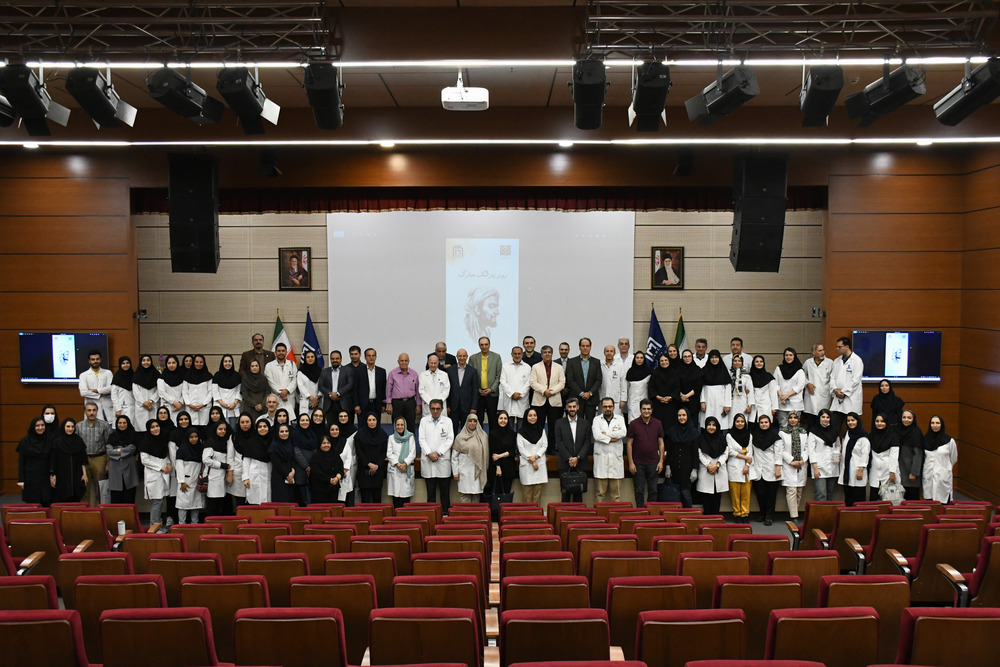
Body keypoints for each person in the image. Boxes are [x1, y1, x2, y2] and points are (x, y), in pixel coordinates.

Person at [627, 398, 667, 508]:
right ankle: (640, 512)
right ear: (640, 410)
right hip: (638, 464)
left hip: (654, 463)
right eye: (644, 409)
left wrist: (661, 462)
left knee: (653, 490)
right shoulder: (633, 424)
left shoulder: (658, 424)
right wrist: (631, 463)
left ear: (652, 410)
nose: (646, 411)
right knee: (639, 491)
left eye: (648, 409)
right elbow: (629, 444)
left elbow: (661, 443)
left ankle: (651, 513)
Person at [419, 399, 454, 514]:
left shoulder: (448, 421)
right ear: (429, 409)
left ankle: (445, 515)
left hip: (442, 460)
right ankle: (431, 515)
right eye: (433, 409)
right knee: (430, 493)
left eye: (438, 409)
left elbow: (450, 439)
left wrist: (438, 453)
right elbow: (422, 439)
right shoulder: (424, 421)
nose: (435, 411)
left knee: (445, 493)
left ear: (442, 409)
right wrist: (429, 453)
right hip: (428, 460)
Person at [555, 398, 593, 502]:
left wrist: (578, 458)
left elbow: (587, 442)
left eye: (574, 407)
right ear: (566, 408)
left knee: (579, 497)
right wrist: (569, 458)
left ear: (578, 407)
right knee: (565, 496)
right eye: (570, 407)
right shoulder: (559, 423)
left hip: (580, 463)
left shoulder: (585, 423)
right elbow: (559, 442)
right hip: (565, 463)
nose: (572, 409)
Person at [592, 397, 628, 503]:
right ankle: (599, 514)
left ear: (614, 407)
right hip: (601, 462)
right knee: (600, 494)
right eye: (605, 406)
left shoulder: (620, 419)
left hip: (616, 462)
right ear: (601, 407)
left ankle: (614, 514)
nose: (608, 408)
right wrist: (613, 438)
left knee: (616, 496)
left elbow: (623, 433)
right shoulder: (596, 420)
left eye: (610, 406)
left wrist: (605, 434)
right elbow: (597, 436)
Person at [138, 419, 172, 530]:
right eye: (152, 427)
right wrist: (160, 467)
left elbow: (165, 455)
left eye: (157, 426)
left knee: (161, 500)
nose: (156, 429)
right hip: (154, 474)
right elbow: (144, 460)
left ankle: (158, 524)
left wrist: (168, 463)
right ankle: (153, 525)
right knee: (157, 501)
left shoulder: (162, 439)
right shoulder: (145, 442)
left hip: (163, 475)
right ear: (149, 429)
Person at [529, 345, 566, 442]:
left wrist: (551, 391)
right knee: (538, 425)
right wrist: (544, 391)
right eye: (545, 352)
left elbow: (562, 383)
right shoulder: (535, 367)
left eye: (549, 352)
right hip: (539, 400)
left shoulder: (559, 367)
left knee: (553, 426)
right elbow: (533, 382)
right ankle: (538, 445)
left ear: (552, 354)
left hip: (554, 401)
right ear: (541, 355)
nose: (547, 354)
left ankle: (551, 447)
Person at [78, 401, 111, 507]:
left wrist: (108, 463)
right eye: (89, 410)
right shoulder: (79, 426)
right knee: (84, 487)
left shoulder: (104, 425)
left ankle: (99, 510)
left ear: (97, 411)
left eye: (94, 410)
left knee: (99, 487)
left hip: (99, 458)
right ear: (85, 412)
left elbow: (108, 445)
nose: (91, 413)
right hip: (84, 460)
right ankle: (84, 511)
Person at [664, 406, 698, 508]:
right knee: (674, 494)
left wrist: (695, 469)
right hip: (673, 468)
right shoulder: (672, 431)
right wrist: (667, 466)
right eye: (679, 415)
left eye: (684, 415)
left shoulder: (694, 433)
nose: (681, 417)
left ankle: (688, 515)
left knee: (685, 493)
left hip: (687, 469)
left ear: (688, 416)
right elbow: (669, 451)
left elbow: (695, 452)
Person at [751, 415, 783, 524]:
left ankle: (769, 516)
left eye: (766, 422)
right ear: (758, 424)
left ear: (770, 423)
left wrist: (778, 469)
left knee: (771, 496)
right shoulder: (754, 436)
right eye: (762, 422)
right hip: (758, 470)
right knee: (760, 494)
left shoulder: (776, 438)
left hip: (772, 470)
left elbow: (778, 455)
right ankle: (762, 514)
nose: (764, 424)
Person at [726, 413, 757, 523]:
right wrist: (745, 457)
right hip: (734, 466)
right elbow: (730, 451)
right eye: (738, 421)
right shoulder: (729, 435)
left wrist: (747, 465)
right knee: (735, 493)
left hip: (747, 467)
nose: (740, 423)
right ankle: (737, 514)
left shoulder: (749, 435)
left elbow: (750, 451)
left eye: (742, 421)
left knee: (746, 493)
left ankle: (745, 514)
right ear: (734, 422)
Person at [452, 414, 490, 504]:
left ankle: (475, 513)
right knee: (465, 496)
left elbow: (486, 454)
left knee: (476, 496)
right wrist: (455, 472)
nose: (472, 423)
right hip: (464, 471)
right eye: (470, 421)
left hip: (478, 470)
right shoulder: (460, 437)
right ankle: (465, 513)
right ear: (466, 422)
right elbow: (454, 456)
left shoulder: (483, 436)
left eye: (474, 421)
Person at [779, 411, 810, 521]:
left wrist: (802, 460)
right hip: (789, 465)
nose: (793, 420)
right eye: (790, 418)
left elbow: (807, 448)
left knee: (799, 491)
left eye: (795, 418)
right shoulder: (782, 433)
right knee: (791, 491)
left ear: (798, 419)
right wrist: (791, 461)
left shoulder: (804, 433)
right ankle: (794, 516)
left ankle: (795, 512)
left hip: (801, 465)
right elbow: (781, 449)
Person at [50, 418, 88, 504]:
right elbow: (53, 459)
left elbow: (83, 459)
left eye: (72, 427)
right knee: (62, 495)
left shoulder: (78, 440)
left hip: (76, 473)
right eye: (68, 426)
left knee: (76, 495)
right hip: (61, 473)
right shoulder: (57, 441)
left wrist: (84, 474)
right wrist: (53, 475)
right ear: (63, 427)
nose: (70, 429)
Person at [696, 416, 729, 516]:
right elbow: (699, 453)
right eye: (709, 425)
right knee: (706, 498)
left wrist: (717, 465)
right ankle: (707, 520)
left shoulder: (722, 438)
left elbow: (726, 453)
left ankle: (716, 520)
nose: (711, 427)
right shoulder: (701, 438)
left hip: (719, 470)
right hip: (706, 470)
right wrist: (708, 465)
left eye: (714, 425)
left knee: (717, 498)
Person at [830, 337, 864, 433]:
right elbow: (832, 378)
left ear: (847, 347)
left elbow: (855, 380)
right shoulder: (836, 361)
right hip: (838, 398)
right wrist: (835, 390)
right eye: (837, 347)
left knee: (852, 427)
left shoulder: (857, 360)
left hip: (851, 398)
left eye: (839, 347)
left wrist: (844, 392)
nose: (837, 349)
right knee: (834, 426)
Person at [171, 427, 205, 523]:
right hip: (185, 482)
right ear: (187, 438)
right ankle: (181, 525)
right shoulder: (181, 451)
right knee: (183, 505)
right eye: (191, 437)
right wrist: (182, 481)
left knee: (196, 504)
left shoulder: (200, 449)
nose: (194, 439)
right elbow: (179, 467)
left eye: (196, 436)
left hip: (197, 481)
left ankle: (195, 525)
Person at [808, 408, 841, 502]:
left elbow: (838, 446)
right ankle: (820, 512)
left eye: (827, 417)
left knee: (830, 493)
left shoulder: (834, 431)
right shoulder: (813, 432)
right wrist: (815, 468)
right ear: (819, 418)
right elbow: (811, 451)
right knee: (821, 494)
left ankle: (829, 512)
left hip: (833, 466)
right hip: (819, 467)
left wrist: (836, 457)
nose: (825, 419)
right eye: (823, 417)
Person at [566, 338, 603, 422]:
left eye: (587, 346)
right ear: (579, 347)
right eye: (583, 346)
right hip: (576, 399)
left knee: (590, 423)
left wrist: (590, 393)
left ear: (590, 347)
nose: (585, 348)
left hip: (591, 399)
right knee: (577, 423)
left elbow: (598, 380)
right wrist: (581, 393)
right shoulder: (571, 362)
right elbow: (570, 380)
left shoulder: (596, 362)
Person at [516, 407, 548, 504]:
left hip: (539, 464)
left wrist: (536, 456)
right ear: (526, 417)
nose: (533, 417)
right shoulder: (521, 432)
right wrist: (532, 460)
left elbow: (544, 445)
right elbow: (521, 449)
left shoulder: (541, 430)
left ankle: (537, 513)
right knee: (527, 497)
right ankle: (527, 513)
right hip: (527, 465)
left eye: (534, 415)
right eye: (530, 416)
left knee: (537, 497)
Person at [922, 415, 957, 503]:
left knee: (943, 501)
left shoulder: (949, 441)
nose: (935, 425)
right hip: (929, 474)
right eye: (932, 423)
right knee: (929, 501)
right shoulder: (925, 440)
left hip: (943, 475)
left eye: (937, 423)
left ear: (942, 425)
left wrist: (946, 468)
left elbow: (953, 458)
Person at [469, 337, 503, 428]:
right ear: (479, 345)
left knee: (492, 419)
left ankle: (492, 437)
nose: (484, 347)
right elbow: (470, 376)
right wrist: (477, 388)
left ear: (489, 345)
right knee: (478, 419)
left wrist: (491, 389)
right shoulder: (473, 358)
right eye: (482, 345)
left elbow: (499, 376)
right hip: (478, 394)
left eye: (486, 344)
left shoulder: (496, 357)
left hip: (492, 394)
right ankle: (479, 437)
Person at [355, 412, 389, 503]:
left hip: (378, 470)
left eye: (374, 420)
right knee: (365, 499)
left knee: (377, 498)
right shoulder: (360, 434)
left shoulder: (382, 434)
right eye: (369, 420)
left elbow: (384, 452)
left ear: (377, 421)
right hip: (364, 470)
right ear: (366, 421)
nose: (372, 422)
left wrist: (377, 465)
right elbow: (359, 451)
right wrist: (369, 464)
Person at [18, 418, 52, 505]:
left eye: (42, 425)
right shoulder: (25, 442)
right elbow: (21, 462)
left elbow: (52, 460)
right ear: (33, 427)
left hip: (45, 477)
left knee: (46, 502)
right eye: (37, 425)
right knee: (32, 504)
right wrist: (21, 480)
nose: (40, 428)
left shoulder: (49, 440)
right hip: (30, 477)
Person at [838, 412, 870, 507]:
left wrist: (861, 469)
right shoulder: (847, 433)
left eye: (853, 420)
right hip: (847, 471)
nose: (850, 422)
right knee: (848, 497)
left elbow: (865, 454)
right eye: (848, 420)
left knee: (858, 499)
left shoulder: (863, 437)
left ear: (858, 421)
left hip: (858, 471)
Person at [106, 416, 140, 504]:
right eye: (120, 423)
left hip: (129, 468)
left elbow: (132, 449)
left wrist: (118, 450)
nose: (122, 425)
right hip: (115, 470)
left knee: (129, 497)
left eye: (124, 423)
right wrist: (123, 452)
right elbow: (109, 451)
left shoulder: (133, 436)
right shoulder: (112, 436)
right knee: (116, 497)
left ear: (128, 424)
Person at [202, 421, 232, 517]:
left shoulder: (225, 442)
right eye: (220, 429)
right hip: (212, 478)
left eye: (224, 429)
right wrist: (221, 465)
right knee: (212, 505)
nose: (222, 431)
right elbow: (206, 459)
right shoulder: (211, 441)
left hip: (222, 478)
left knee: (220, 504)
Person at [386, 353, 422, 434]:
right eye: (402, 361)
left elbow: (417, 390)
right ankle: (397, 441)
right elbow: (388, 389)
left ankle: (411, 442)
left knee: (411, 425)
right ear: (398, 362)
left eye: (406, 360)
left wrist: (418, 404)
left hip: (410, 402)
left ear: (409, 361)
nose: (404, 362)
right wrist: (389, 404)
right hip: (397, 403)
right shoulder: (392, 373)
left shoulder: (414, 373)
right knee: (397, 425)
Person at [447, 348, 479, 436]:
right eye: (460, 356)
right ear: (457, 357)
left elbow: (475, 390)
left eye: (464, 356)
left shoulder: (472, 371)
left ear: (467, 357)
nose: (462, 358)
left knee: (466, 431)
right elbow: (448, 389)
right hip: (453, 407)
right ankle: (453, 445)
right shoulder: (450, 370)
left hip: (467, 407)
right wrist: (448, 405)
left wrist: (473, 407)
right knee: (452, 430)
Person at [869, 413, 901, 501]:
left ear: (886, 423)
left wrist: (892, 472)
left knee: (888, 499)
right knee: (873, 497)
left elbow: (894, 456)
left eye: (882, 421)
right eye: (877, 421)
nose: (879, 423)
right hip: (874, 471)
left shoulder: (893, 436)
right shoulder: (871, 435)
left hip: (888, 471)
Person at [487, 410, 518, 498]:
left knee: (506, 495)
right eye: (501, 418)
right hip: (496, 468)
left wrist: (500, 456)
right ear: (497, 419)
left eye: (505, 418)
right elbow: (493, 453)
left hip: (509, 467)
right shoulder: (492, 434)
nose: (503, 420)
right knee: (497, 495)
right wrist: (498, 467)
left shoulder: (512, 433)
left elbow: (512, 451)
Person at [387, 416, 417, 508]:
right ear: (395, 426)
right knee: (396, 496)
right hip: (395, 468)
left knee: (406, 497)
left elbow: (412, 453)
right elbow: (389, 453)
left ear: (405, 426)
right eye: (398, 425)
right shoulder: (391, 438)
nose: (400, 427)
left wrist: (405, 464)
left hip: (406, 468)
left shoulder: (410, 437)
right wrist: (398, 464)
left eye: (402, 425)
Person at [318, 350, 355, 423]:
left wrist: (338, 393)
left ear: (341, 359)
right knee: (331, 426)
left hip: (344, 404)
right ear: (330, 360)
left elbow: (350, 384)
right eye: (333, 359)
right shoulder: (324, 371)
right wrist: (330, 394)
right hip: (329, 405)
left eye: (337, 358)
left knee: (345, 426)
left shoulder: (348, 370)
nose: (335, 360)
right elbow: (320, 386)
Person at [773, 348, 806, 428]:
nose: (788, 357)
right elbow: (774, 383)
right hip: (782, 402)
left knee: (795, 427)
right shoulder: (778, 368)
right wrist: (781, 395)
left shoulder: (800, 370)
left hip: (795, 403)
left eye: (791, 355)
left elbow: (800, 385)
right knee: (783, 426)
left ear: (794, 356)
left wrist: (787, 395)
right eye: (786, 355)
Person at [242, 419, 272, 505]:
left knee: (268, 502)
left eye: (265, 426)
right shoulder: (251, 442)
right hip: (254, 476)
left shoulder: (272, 442)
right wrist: (245, 478)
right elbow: (246, 461)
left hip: (269, 476)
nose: (262, 429)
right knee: (255, 502)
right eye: (260, 427)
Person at [78, 349, 114, 422]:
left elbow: (111, 388)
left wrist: (96, 390)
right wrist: (100, 394)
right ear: (89, 361)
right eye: (93, 359)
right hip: (91, 407)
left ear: (100, 360)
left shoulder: (108, 373)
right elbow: (83, 392)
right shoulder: (83, 375)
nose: (95, 361)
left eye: (97, 359)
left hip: (106, 407)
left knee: (108, 426)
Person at [311, 432, 346, 505]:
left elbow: (340, 468)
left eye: (328, 443)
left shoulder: (335, 455)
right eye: (324, 443)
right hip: (319, 490)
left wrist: (337, 478)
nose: (326, 445)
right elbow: (316, 472)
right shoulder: (315, 457)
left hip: (333, 489)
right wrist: (329, 479)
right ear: (320, 444)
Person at [897, 409, 925, 501]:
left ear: (913, 419)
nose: (906, 420)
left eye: (909, 418)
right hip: (900, 470)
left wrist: (914, 473)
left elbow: (918, 455)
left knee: (912, 499)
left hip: (911, 472)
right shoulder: (898, 431)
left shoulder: (916, 433)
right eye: (904, 417)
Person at [700, 350, 732, 428]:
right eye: (712, 357)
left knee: (720, 424)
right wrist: (702, 402)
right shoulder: (704, 371)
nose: (714, 359)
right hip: (708, 402)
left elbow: (728, 389)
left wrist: (727, 404)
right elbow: (701, 387)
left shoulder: (724, 371)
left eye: (716, 357)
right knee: (707, 424)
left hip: (721, 402)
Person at [500, 347, 531, 425]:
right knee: (509, 426)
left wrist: (521, 394)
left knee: (521, 426)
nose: (517, 356)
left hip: (522, 399)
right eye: (515, 354)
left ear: (522, 354)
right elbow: (503, 381)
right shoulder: (505, 366)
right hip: (510, 399)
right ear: (511, 354)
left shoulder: (527, 367)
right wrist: (512, 394)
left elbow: (528, 383)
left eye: (519, 354)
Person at [648, 353, 680, 431]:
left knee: (670, 428)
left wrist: (671, 397)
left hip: (671, 405)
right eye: (661, 361)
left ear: (669, 361)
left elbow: (678, 387)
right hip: (658, 405)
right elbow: (651, 387)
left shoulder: (675, 373)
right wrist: (657, 397)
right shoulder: (655, 373)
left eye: (666, 360)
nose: (664, 362)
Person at [227, 414, 252, 510]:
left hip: (252, 472)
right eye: (242, 422)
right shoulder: (234, 437)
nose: (245, 424)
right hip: (238, 472)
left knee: (252, 500)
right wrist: (230, 473)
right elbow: (230, 456)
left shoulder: (255, 436)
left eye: (247, 422)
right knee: (240, 502)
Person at [291, 412, 317, 506]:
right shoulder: (295, 434)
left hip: (312, 468)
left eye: (307, 420)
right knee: (302, 496)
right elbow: (296, 452)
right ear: (298, 422)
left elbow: (315, 450)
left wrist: (312, 466)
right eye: (302, 420)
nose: (305, 422)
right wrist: (306, 467)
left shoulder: (312, 433)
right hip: (300, 468)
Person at [803, 343, 833, 424]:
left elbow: (833, 379)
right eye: (820, 351)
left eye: (823, 350)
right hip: (811, 396)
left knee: (823, 420)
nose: (822, 352)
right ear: (813, 353)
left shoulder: (830, 363)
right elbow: (802, 376)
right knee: (811, 422)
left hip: (824, 395)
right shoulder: (808, 362)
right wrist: (807, 383)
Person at [265, 343, 298, 415]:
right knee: (275, 417)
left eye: (283, 351)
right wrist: (281, 393)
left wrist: (287, 390)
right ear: (275, 352)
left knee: (289, 418)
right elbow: (270, 381)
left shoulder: (292, 364)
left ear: (286, 352)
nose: (281, 353)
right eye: (279, 351)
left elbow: (295, 380)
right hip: (275, 397)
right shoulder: (269, 365)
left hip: (289, 398)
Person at [354, 348, 387, 419]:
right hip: (363, 405)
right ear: (365, 357)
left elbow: (383, 389)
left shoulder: (382, 371)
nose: (371, 357)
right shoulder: (358, 371)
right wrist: (356, 404)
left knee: (376, 424)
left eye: (373, 355)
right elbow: (355, 389)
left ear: (376, 357)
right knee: (362, 424)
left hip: (377, 404)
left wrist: (384, 405)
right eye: (369, 355)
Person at [268, 423, 297, 504]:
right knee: (281, 501)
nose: (284, 433)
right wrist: (288, 474)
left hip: (291, 476)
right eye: (281, 431)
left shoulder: (290, 443)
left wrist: (293, 471)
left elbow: (293, 459)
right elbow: (277, 464)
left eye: (286, 431)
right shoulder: (273, 447)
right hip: (279, 477)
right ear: (277, 433)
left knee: (291, 501)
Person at [419, 355, 451, 426]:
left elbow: (446, 390)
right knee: (427, 426)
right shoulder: (423, 375)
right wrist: (431, 402)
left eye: (435, 363)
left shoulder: (444, 375)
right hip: (428, 406)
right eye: (431, 363)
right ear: (428, 363)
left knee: (442, 427)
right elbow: (421, 391)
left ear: (438, 363)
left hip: (441, 405)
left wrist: (438, 402)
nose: (433, 365)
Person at [182, 354, 214, 425]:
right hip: (190, 408)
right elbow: (184, 392)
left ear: (204, 363)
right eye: (196, 362)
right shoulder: (187, 376)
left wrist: (203, 404)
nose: (198, 364)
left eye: (201, 362)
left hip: (204, 408)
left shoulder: (208, 376)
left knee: (204, 428)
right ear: (193, 363)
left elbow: (210, 392)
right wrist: (189, 404)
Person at [132, 354, 161, 429]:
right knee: (142, 428)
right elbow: (136, 392)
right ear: (140, 362)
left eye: (148, 360)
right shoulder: (136, 375)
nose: (146, 362)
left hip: (153, 405)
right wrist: (144, 403)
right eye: (143, 360)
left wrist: (150, 401)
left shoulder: (156, 374)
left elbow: (159, 390)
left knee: (153, 427)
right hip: (141, 406)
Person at [212, 354, 242, 426]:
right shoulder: (217, 375)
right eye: (225, 361)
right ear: (222, 363)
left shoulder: (237, 376)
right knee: (222, 427)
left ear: (232, 362)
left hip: (233, 407)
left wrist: (234, 403)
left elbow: (239, 391)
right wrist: (221, 403)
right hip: (220, 406)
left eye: (229, 361)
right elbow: (215, 391)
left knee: (233, 428)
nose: (227, 363)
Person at [336, 411, 358, 506]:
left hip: (350, 465)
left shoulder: (354, 431)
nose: (343, 418)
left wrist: (346, 467)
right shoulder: (335, 430)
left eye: (345, 416)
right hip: (336, 465)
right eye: (341, 416)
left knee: (349, 490)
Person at [748, 355, 779, 422]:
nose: (759, 363)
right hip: (753, 407)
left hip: (765, 406)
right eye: (757, 362)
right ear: (753, 363)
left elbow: (773, 393)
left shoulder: (769, 377)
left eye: (761, 361)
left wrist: (774, 408)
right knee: (752, 423)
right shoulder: (749, 377)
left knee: (764, 424)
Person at [727, 354, 753, 429]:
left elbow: (750, 391)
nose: (737, 363)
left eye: (739, 361)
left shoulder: (746, 376)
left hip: (742, 402)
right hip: (731, 403)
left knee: (741, 422)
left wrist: (750, 405)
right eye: (735, 361)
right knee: (731, 422)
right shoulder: (729, 374)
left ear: (742, 363)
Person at [598, 345, 626, 417]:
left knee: (616, 419)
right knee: (602, 419)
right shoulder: (600, 364)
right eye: (607, 351)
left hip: (616, 400)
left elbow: (623, 383)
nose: (609, 353)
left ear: (614, 353)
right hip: (602, 398)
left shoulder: (619, 365)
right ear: (604, 353)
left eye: (611, 351)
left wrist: (623, 399)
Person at [677, 349, 703, 423]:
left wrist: (686, 396)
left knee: (693, 423)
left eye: (689, 356)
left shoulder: (697, 370)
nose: (687, 358)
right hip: (680, 401)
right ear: (682, 358)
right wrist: (682, 396)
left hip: (693, 401)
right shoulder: (678, 370)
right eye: (685, 357)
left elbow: (698, 386)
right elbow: (676, 384)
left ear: (692, 357)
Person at [625, 352, 651, 421]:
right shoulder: (630, 372)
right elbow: (627, 388)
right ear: (634, 359)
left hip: (644, 399)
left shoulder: (648, 372)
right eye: (637, 358)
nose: (639, 360)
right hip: (632, 401)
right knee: (633, 421)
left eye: (641, 358)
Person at [158, 355, 185, 420]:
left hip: (180, 407)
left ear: (177, 363)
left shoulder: (183, 377)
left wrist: (180, 403)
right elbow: (162, 393)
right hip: (167, 406)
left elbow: (185, 392)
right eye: (169, 363)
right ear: (166, 364)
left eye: (173, 363)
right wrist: (174, 403)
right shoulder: (161, 378)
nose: (171, 365)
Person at [297, 349, 323, 417]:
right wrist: (311, 398)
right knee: (305, 420)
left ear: (315, 358)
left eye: (312, 357)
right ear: (305, 359)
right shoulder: (301, 372)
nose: (310, 359)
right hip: (306, 401)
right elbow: (301, 386)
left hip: (318, 401)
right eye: (308, 357)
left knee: (318, 419)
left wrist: (317, 399)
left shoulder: (320, 370)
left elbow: (323, 385)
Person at [111, 356, 135, 426]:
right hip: (120, 408)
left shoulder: (134, 376)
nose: (125, 365)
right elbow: (114, 396)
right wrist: (117, 409)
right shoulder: (116, 378)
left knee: (131, 427)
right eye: (123, 363)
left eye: (127, 363)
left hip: (133, 408)